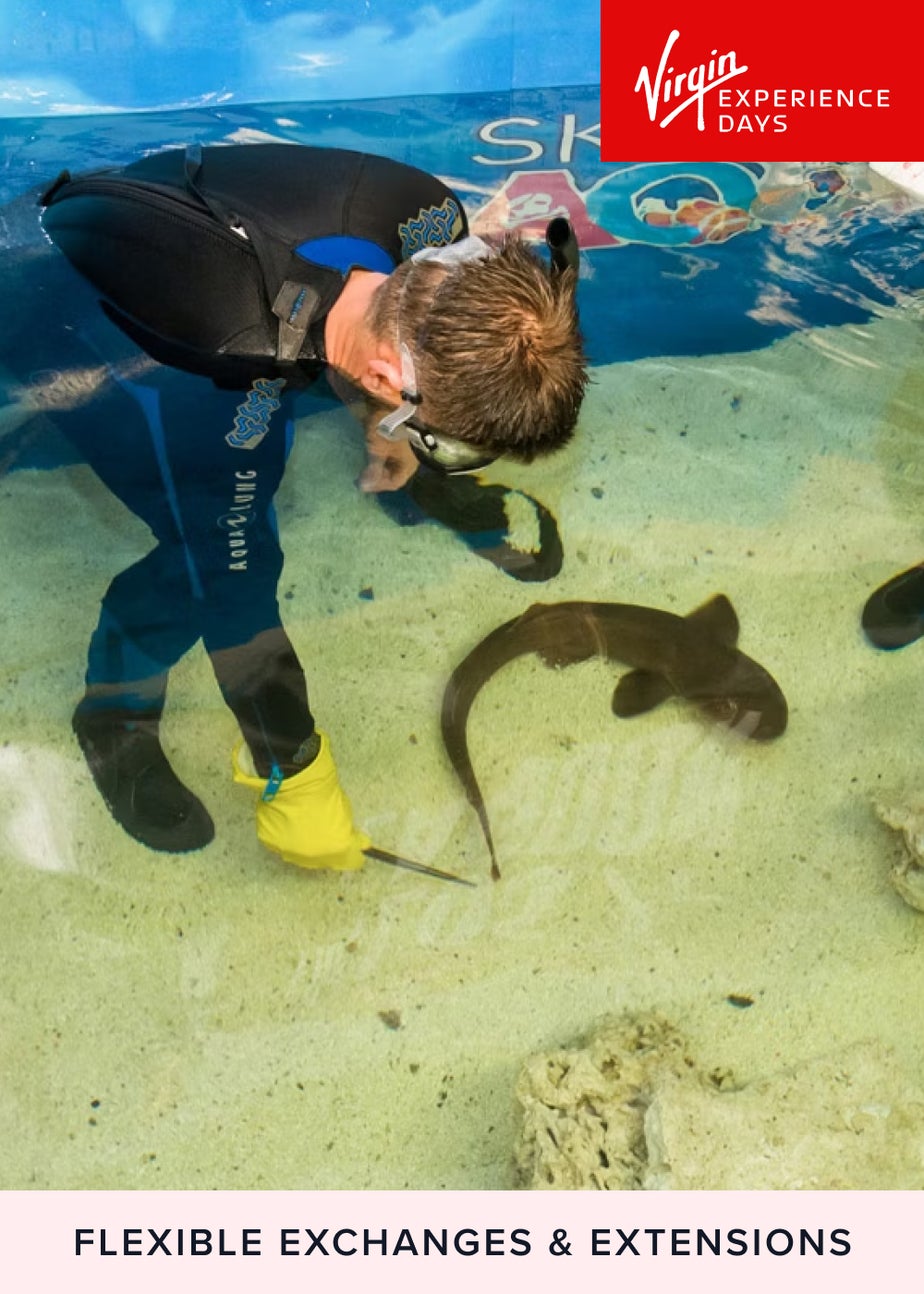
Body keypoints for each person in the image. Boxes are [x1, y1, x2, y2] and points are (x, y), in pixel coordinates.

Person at [32, 143, 587, 870]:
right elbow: (235, 595)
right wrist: (294, 769)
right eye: (446, 444)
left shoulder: (429, 220)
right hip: (70, 304)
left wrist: (386, 430)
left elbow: (383, 328)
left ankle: (403, 453)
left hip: (193, 219)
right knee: (219, 546)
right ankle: (114, 714)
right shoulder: (229, 371)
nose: (436, 447)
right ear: (389, 377)